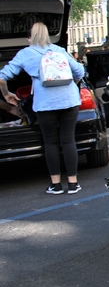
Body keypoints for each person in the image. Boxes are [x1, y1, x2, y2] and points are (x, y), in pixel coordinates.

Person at [0, 22, 86, 194]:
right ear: (48, 36)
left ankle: (55, 185)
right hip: (69, 100)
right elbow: (79, 71)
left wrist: (7, 93)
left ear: (29, 38)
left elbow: (2, 77)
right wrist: (72, 85)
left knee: (50, 142)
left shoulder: (25, 53)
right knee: (68, 140)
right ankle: (73, 184)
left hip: (45, 103)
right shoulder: (59, 50)